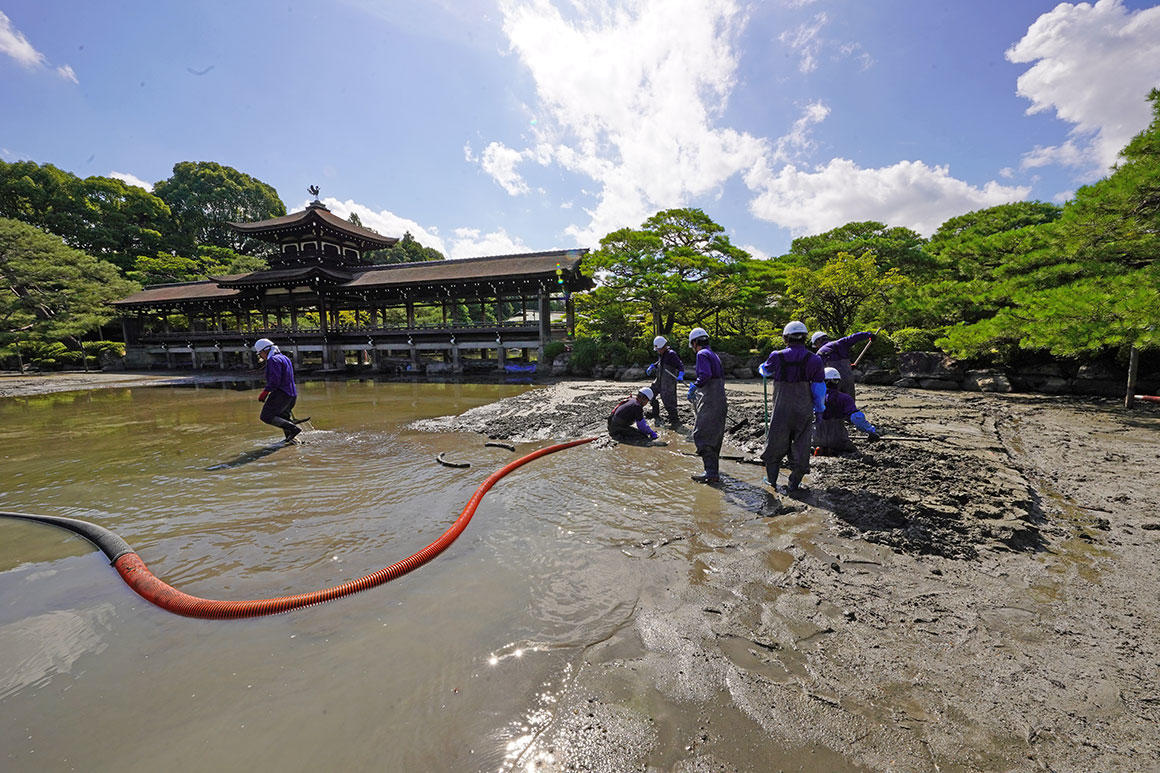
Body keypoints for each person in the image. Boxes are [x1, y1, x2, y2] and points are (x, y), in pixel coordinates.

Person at [759, 321, 825, 494]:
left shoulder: (776, 355)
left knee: (775, 443)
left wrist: (762, 369)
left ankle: (771, 482)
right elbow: (819, 389)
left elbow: (765, 371)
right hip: (804, 408)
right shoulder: (815, 359)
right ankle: (794, 484)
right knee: (802, 445)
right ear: (805, 338)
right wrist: (819, 410)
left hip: (781, 408)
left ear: (785, 338)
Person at [686, 327, 726, 484]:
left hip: (710, 401)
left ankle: (711, 473)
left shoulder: (702, 354)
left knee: (701, 434)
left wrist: (695, 385)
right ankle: (713, 472)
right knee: (714, 436)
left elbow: (705, 375)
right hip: (719, 400)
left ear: (695, 342)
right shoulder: (713, 354)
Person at [814, 367, 881, 454]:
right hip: (838, 439)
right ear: (838, 382)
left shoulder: (812, 397)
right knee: (854, 452)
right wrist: (871, 431)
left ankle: (820, 449)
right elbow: (857, 418)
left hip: (816, 439)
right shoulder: (845, 398)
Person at [254, 338, 301, 443]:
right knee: (283, 417)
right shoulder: (284, 358)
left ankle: (294, 429)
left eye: (260, 353)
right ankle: (292, 440)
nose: (261, 356)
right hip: (291, 394)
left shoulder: (273, 360)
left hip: (281, 394)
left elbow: (275, 380)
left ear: (265, 350)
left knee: (266, 416)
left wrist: (265, 392)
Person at [811, 330, 874, 398]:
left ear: (818, 341)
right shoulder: (841, 343)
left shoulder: (820, 354)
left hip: (833, 382)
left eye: (816, 345)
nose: (817, 347)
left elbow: (818, 373)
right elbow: (855, 336)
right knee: (850, 402)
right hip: (848, 378)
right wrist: (869, 335)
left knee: (834, 403)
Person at [645, 335, 685, 427]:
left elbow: (680, 366)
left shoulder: (671, 354)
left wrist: (681, 374)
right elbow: (659, 363)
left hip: (668, 382)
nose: (657, 351)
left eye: (658, 349)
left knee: (668, 401)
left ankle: (674, 420)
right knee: (650, 393)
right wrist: (653, 366)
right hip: (659, 380)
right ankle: (655, 413)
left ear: (664, 346)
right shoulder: (661, 354)